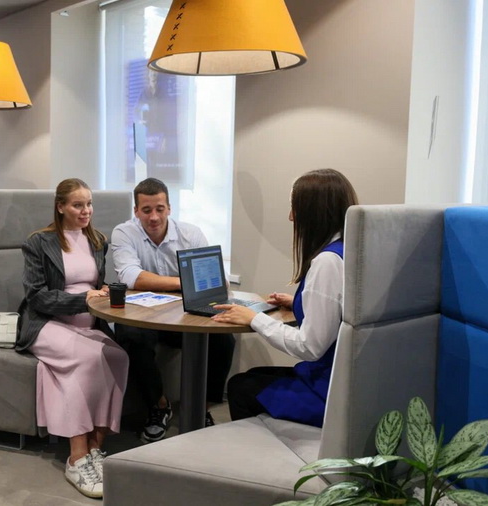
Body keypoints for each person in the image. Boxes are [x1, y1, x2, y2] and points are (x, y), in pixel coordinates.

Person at [214, 168, 358, 427]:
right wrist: (298, 303)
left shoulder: (326, 262)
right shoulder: (349, 249)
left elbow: (310, 347)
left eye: (295, 208)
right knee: (254, 376)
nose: (291, 217)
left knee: (240, 387)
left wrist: (255, 318)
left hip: (327, 392)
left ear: (313, 213)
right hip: (343, 380)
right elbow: (341, 307)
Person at [18, 178, 129, 499]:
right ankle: (76, 457)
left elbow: (94, 284)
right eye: (78, 205)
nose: (86, 211)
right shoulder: (39, 242)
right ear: (61, 207)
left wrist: (102, 291)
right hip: (46, 324)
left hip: (87, 325)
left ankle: (95, 448)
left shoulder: (97, 240)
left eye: (89, 204)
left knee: (119, 357)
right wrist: (84, 300)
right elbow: (37, 296)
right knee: (87, 357)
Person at [111, 177, 235, 442]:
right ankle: (159, 406)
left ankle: (201, 408)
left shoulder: (191, 234)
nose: (154, 217)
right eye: (146, 210)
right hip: (142, 316)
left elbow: (217, 279)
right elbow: (131, 276)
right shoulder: (124, 233)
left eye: (160, 209)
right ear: (136, 211)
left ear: (169, 208)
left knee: (224, 339)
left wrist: (206, 283)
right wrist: (184, 282)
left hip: (183, 315)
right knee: (130, 336)